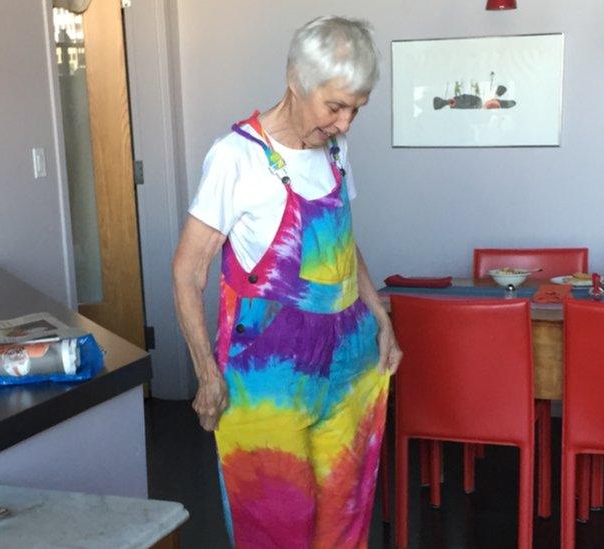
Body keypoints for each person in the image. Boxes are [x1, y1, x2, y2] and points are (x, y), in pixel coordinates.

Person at [171, 16, 402, 548]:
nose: (344, 124)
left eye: (355, 110)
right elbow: (187, 271)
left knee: (344, 514)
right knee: (273, 521)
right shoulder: (237, 157)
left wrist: (380, 317)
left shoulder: (337, 150)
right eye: (335, 106)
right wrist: (207, 374)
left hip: (347, 363)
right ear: (296, 81)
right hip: (267, 377)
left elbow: (344, 243)